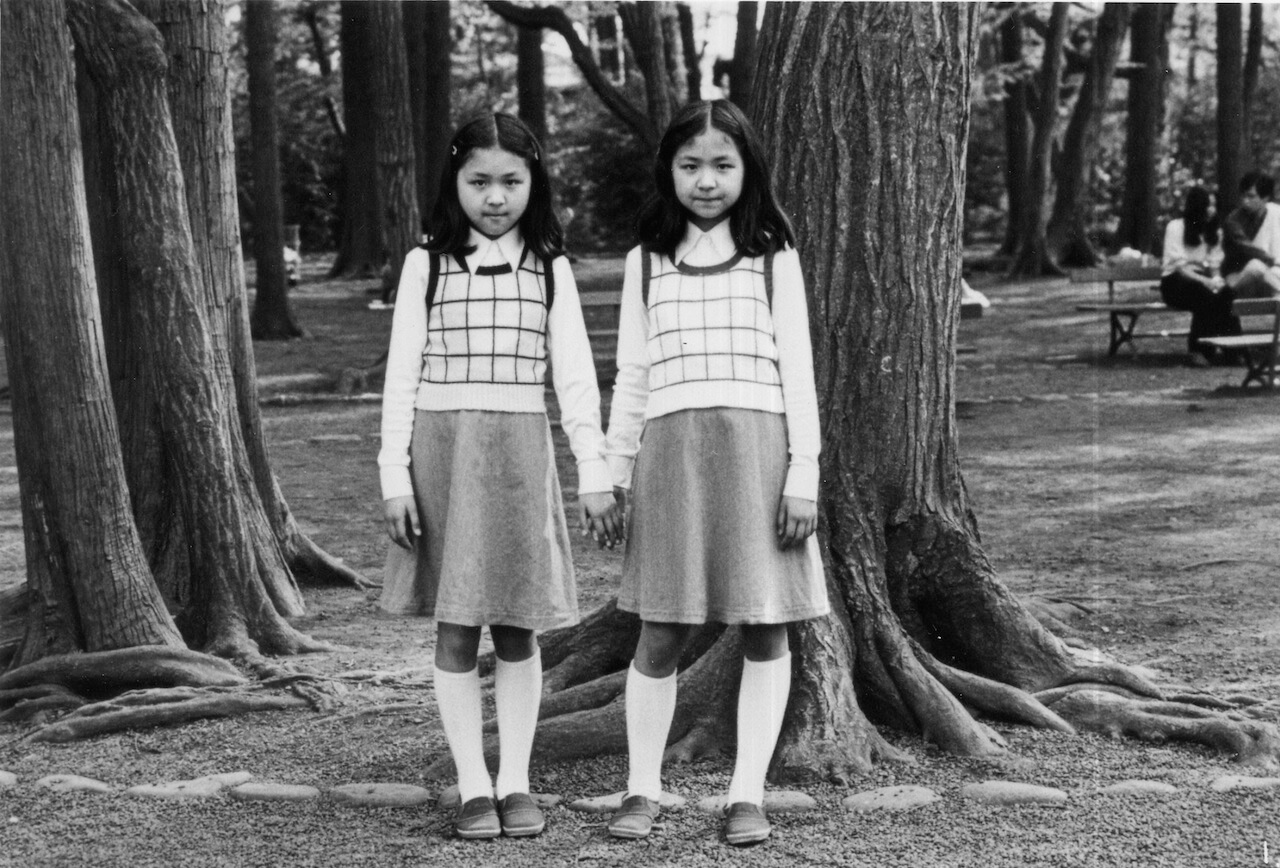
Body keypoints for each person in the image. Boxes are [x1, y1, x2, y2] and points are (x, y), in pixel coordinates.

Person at [377, 113, 622, 841]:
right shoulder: (426, 265)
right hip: (442, 454)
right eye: (479, 181)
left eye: (511, 181)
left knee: (517, 626)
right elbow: (400, 377)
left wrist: (593, 471)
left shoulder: (549, 268)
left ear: (532, 183)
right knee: (456, 626)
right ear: (454, 182)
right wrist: (394, 475)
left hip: (520, 453)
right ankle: (472, 786)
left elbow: (574, 381)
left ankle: (515, 780)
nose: (494, 197)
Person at [602, 100, 828, 847]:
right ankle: (642, 786)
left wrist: (803, 474)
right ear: (668, 170)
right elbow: (632, 376)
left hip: (759, 455)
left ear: (747, 170)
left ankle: (746, 794)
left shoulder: (773, 256)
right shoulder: (645, 262)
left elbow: (798, 372)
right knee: (661, 627)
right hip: (672, 459)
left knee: (765, 626)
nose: (706, 181)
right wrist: (611, 471)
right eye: (691, 165)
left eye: (723, 165)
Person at [1158, 185, 1238, 366]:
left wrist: (1216, 280)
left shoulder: (1214, 231)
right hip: (1175, 282)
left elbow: (1214, 264)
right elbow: (1180, 268)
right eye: (1208, 205)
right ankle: (1199, 350)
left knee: (1226, 294)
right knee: (1204, 295)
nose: (1212, 210)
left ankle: (1233, 349)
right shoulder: (1176, 227)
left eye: (1214, 205)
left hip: (1202, 279)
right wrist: (1206, 281)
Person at [1221, 171, 1280, 299]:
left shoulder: (1275, 213)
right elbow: (1247, 248)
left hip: (1270, 272)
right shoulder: (1234, 220)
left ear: (1265, 198)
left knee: (1273, 276)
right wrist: (1273, 260)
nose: (1245, 201)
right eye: (1243, 196)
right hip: (1239, 275)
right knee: (1256, 266)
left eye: (1251, 196)